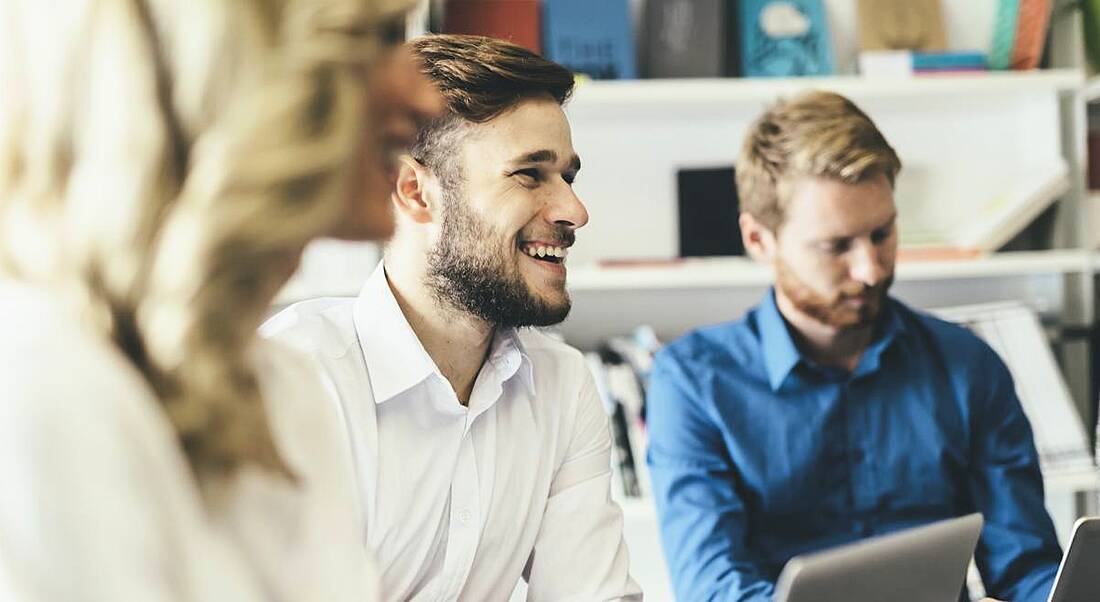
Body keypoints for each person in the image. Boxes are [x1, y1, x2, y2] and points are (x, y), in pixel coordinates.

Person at [0, 0, 440, 599]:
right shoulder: (39, 386)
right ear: (233, 66)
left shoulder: (281, 389)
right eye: (382, 38)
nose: (427, 99)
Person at [262, 34, 642, 601]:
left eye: (568, 176)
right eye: (529, 174)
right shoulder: (297, 379)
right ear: (416, 191)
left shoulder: (561, 386)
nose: (573, 210)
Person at [646, 91, 1061, 602]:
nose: (870, 269)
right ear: (759, 240)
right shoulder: (693, 382)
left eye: (882, 234)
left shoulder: (968, 366)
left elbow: (1025, 569)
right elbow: (712, 588)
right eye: (836, 246)